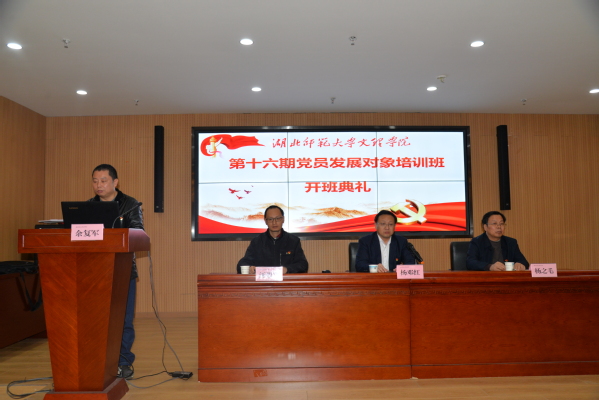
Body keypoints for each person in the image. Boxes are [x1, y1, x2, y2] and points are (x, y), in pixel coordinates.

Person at [89, 164, 143, 378]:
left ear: (115, 182)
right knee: (96, 319)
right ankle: (97, 360)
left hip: (122, 271)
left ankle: (123, 362)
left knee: (123, 320)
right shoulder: (88, 207)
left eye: (103, 180)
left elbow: (138, 233)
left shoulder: (130, 205)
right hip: (94, 271)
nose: (98, 185)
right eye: (95, 181)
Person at [237, 205, 308, 274]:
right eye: (270, 219)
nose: (274, 222)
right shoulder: (257, 241)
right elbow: (243, 263)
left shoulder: (293, 241)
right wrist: (249, 268)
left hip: (285, 281)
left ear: (283, 219)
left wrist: (287, 269)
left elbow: (303, 265)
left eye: (278, 218)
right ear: (265, 221)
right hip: (263, 281)